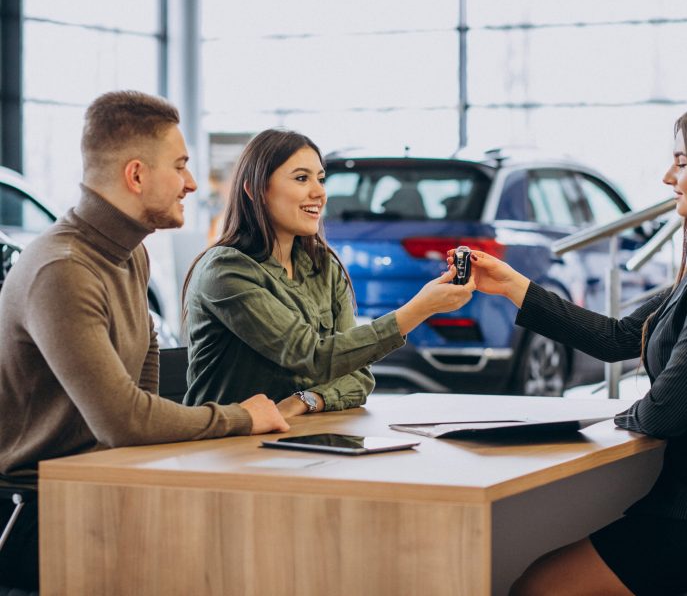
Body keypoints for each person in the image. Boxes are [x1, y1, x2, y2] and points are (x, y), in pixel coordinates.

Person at [457, 95, 687, 595]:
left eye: (681, 162)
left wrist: (614, 419)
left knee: (540, 588)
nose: (667, 177)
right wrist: (511, 284)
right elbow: (617, 338)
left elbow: (664, 413)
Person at [0, 91, 290, 590]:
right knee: (230, 558)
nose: (193, 183)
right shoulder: (64, 269)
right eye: (180, 166)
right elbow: (125, 421)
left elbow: (146, 380)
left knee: (262, 532)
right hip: (37, 511)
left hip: (105, 484)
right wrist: (241, 417)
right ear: (136, 175)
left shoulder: (128, 253)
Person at [182, 128, 474, 417]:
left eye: (320, 179)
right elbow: (314, 357)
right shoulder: (225, 270)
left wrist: (305, 400)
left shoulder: (323, 265)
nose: (319, 192)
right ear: (255, 189)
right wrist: (420, 309)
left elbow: (358, 377)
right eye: (301, 178)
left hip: (301, 441)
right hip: (227, 448)